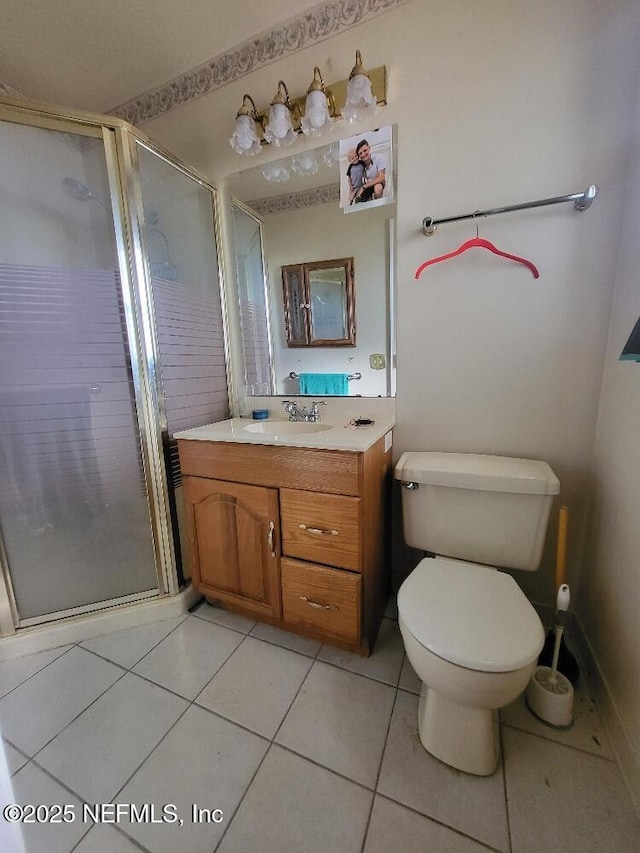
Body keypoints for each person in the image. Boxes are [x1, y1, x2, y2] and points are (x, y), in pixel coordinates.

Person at [352, 138, 386, 203]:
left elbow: (381, 177)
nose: (363, 154)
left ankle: (377, 202)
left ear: (369, 148)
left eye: (365, 150)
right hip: (367, 185)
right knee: (358, 197)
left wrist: (364, 187)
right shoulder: (360, 165)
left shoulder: (379, 158)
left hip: (377, 184)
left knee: (378, 188)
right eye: (360, 153)